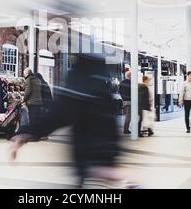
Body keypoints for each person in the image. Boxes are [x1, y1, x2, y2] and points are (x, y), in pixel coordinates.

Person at [10, 53, 127, 188]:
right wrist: (112, 158)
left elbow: (58, 114)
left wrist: (26, 133)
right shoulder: (102, 87)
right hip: (104, 162)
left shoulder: (80, 83)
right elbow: (110, 124)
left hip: (88, 162)